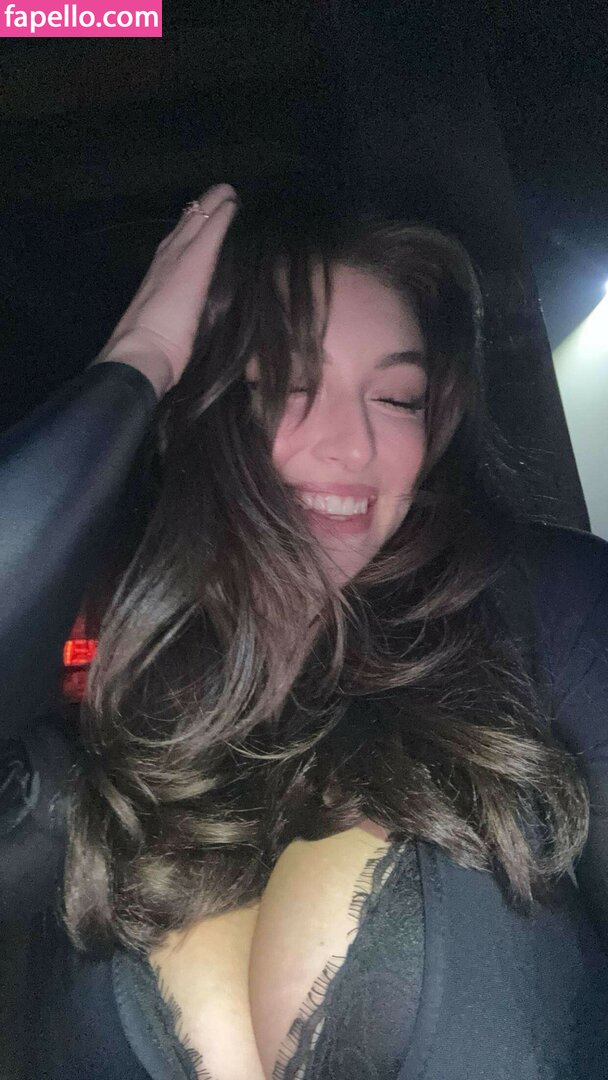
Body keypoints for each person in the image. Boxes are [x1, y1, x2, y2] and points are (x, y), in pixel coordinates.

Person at [1, 181, 607, 1080]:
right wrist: (138, 360)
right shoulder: (107, 742)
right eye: (289, 384)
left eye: (396, 398)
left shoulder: (551, 613)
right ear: (201, 411)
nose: (353, 447)